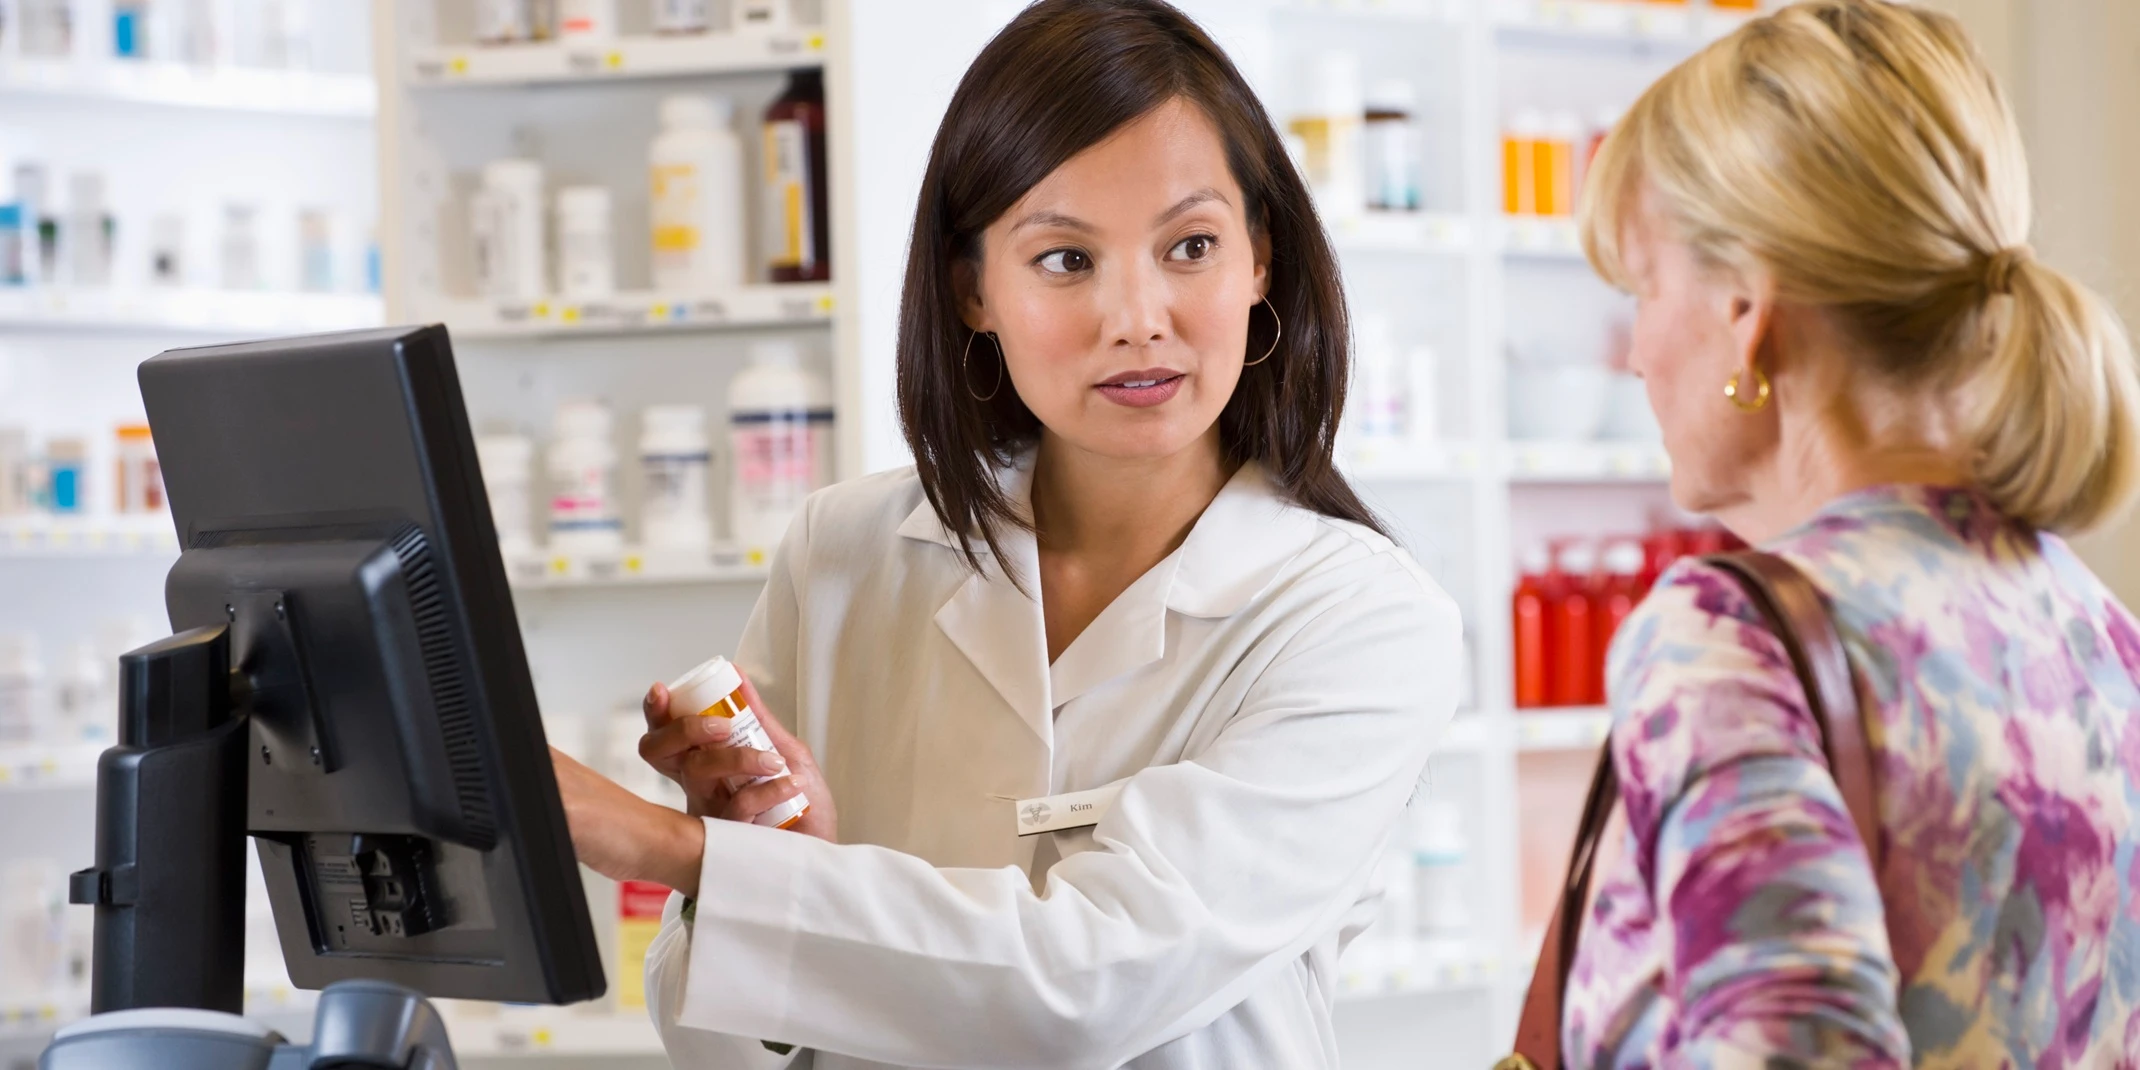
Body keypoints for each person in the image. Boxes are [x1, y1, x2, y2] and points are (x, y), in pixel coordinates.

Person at [547, 1, 1464, 1066]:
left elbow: (1088, 982)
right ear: (970, 288)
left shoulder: (1360, 619)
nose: (1137, 315)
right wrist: (767, 874)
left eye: (1192, 245)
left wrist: (675, 848)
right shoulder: (842, 554)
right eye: (1065, 260)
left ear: (1261, 260)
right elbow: (714, 1043)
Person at [1556, 1, 2140, 1065]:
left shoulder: (1729, 632)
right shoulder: (2097, 631)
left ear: (1746, 306)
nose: (1634, 354)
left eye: (1644, 288)